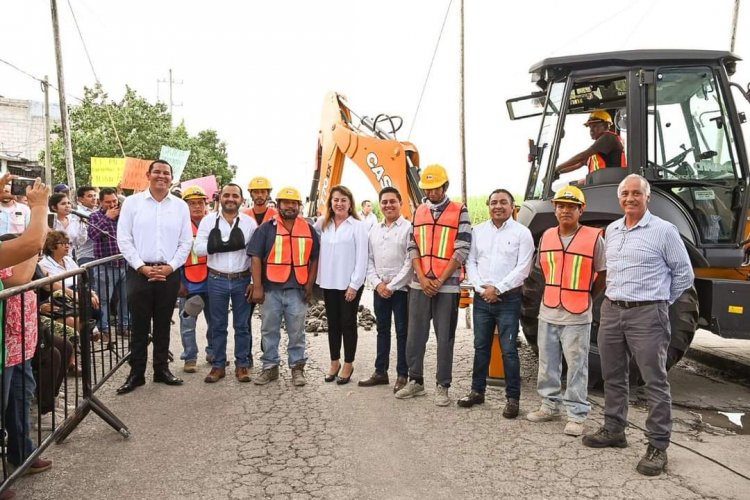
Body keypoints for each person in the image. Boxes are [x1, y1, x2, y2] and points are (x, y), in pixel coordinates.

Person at [582, 174, 693, 477]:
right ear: (619, 199)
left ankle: (658, 445)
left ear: (647, 197)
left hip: (648, 313)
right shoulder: (613, 230)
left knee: (654, 380)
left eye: (636, 194)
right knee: (613, 376)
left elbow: (684, 275)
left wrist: (659, 303)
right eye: (625, 194)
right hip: (612, 311)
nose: (630, 198)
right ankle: (614, 429)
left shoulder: (664, 231)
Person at [526, 186, 606, 436]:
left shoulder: (594, 238)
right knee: (547, 362)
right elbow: (543, 269)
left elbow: (602, 274)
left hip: (577, 312)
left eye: (571, 206)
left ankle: (576, 414)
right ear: (554, 209)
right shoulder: (547, 236)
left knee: (576, 365)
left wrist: (586, 297)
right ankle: (549, 405)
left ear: (581, 210)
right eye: (561, 206)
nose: (565, 210)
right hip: (548, 309)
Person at [395, 164, 472, 406]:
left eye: (435, 189)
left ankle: (443, 385)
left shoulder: (460, 211)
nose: (431, 193)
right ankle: (415, 381)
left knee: (444, 338)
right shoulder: (418, 212)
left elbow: (462, 249)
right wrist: (423, 277)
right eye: (427, 189)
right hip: (420, 285)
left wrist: (438, 280)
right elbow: (412, 246)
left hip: (446, 286)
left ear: (445, 186)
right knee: (415, 335)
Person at [116, 160, 193, 395]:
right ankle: (136, 374)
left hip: (168, 274)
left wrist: (171, 267)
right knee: (139, 325)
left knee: (163, 324)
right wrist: (140, 266)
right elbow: (124, 239)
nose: (162, 176)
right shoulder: (132, 203)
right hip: (140, 273)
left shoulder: (180, 206)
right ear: (148, 175)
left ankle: (161, 370)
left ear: (172, 178)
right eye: (157, 172)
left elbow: (185, 242)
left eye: (166, 173)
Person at [457, 189, 533, 416]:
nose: (498, 206)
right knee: (481, 347)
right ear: (488, 205)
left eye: (503, 202)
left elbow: (524, 268)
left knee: (509, 350)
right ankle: (477, 391)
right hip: (482, 299)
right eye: (493, 202)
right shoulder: (477, 231)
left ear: (512, 206)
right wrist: (482, 289)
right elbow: (470, 262)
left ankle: (512, 399)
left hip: (508, 299)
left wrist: (498, 288)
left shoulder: (522, 233)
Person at [247, 186, 319, 386]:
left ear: (299, 206)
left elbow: (314, 259)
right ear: (278, 205)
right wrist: (258, 286)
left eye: (294, 203)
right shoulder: (266, 229)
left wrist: (310, 285)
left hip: (297, 290)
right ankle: (270, 367)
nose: (290, 206)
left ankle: (297, 368)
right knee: (269, 330)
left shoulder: (308, 229)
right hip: (271, 291)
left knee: (297, 332)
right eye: (286, 203)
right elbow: (255, 257)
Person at [0, 238, 53, 478]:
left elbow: (42, 287)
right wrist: (34, 248)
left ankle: (22, 454)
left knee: (21, 398)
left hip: (22, 346)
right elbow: (18, 280)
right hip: (6, 347)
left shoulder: (31, 264)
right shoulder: (9, 264)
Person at [195, 183, 257, 384]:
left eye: (235, 196)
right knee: (217, 325)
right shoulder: (207, 221)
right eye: (227, 195)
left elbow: (255, 255)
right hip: (216, 279)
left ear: (241, 199)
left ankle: (242, 365)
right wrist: (224, 244)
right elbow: (199, 249)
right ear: (220, 198)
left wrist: (255, 281)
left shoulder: (249, 223)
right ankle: (218, 365)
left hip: (242, 279)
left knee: (242, 326)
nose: (231, 199)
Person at [358, 187, 412, 393]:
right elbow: (369, 259)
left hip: (401, 290)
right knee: (382, 330)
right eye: (384, 202)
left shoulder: (408, 228)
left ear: (400, 203)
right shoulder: (374, 229)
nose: (388, 205)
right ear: (380, 205)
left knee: (402, 332)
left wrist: (392, 285)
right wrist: (378, 284)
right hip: (379, 289)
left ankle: (402, 374)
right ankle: (380, 372)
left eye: (392, 201)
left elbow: (410, 262)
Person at [315, 185, 368, 385]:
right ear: (331, 202)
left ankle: (348, 363)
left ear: (350, 204)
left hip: (349, 284)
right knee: (333, 323)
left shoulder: (358, 226)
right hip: (329, 282)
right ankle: (334, 361)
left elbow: (362, 257)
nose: (339, 203)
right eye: (336, 200)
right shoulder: (324, 224)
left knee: (348, 323)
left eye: (343, 200)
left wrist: (354, 285)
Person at [178, 186, 212, 373]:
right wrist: (179, 282)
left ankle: (213, 352)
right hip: (189, 283)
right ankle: (190, 357)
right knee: (188, 323)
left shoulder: (212, 224)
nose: (197, 206)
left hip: (212, 282)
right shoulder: (180, 227)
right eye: (192, 203)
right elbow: (173, 256)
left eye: (200, 202)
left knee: (215, 322)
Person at [88, 188, 129, 337]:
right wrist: (107, 218)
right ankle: (104, 329)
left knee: (126, 298)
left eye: (114, 201)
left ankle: (124, 326)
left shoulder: (124, 216)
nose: (112, 204)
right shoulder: (94, 217)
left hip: (124, 263)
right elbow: (93, 235)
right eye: (108, 202)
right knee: (104, 299)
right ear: (100, 202)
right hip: (105, 265)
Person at [555, 110, 626, 175]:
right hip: (602, 182)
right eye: (590, 127)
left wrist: (558, 167)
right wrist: (559, 171)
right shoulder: (598, 150)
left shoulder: (608, 137)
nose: (591, 130)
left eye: (595, 126)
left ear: (606, 125)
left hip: (610, 182)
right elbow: (579, 163)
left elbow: (581, 156)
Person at [48, 192, 86, 259]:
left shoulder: (74, 221)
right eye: (63, 204)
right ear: (54, 207)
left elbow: (80, 242)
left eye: (68, 203)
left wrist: (83, 226)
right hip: (52, 258)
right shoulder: (50, 221)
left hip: (70, 258)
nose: (67, 206)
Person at [74, 186, 98, 265]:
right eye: (90, 196)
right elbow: (79, 237)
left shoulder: (98, 211)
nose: (94, 198)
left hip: (99, 255)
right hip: (86, 255)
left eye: (95, 195)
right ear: (81, 199)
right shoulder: (78, 213)